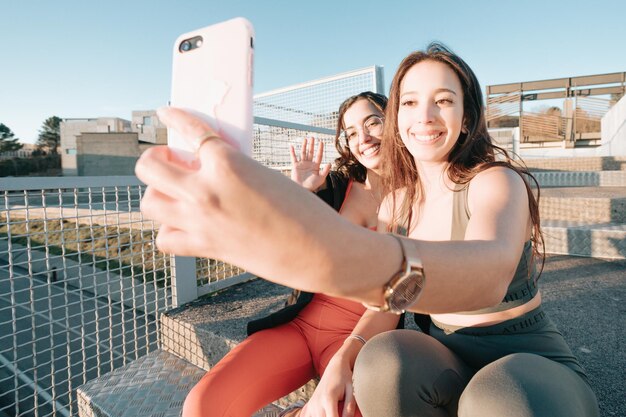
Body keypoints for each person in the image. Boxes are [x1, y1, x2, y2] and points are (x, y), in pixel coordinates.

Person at [135, 43, 599, 416]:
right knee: (384, 359)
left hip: (525, 355)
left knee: (498, 398)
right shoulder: (397, 201)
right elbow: (388, 303)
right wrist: (346, 356)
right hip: (445, 355)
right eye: (411, 102)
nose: (426, 116)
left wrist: (326, 256)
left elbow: (490, 272)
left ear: (467, 115)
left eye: (444, 101)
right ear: (400, 116)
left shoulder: (495, 181)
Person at [181, 92, 401, 417]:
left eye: (373, 123)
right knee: (202, 405)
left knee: (344, 412)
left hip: (359, 336)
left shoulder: (420, 199)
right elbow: (275, 241)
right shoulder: (335, 186)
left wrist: (347, 354)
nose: (363, 138)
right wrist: (300, 193)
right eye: (352, 132)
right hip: (298, 326)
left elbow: (395, 298)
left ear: (395, 121)